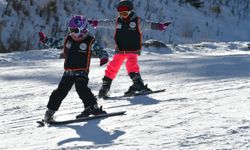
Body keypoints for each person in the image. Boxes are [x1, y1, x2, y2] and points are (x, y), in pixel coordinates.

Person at [88, 0, 171, 98]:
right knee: (113, 66)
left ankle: (138, 84)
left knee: (131, 64)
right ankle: (105, 86)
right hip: (121, 49)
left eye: (125, 13)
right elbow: (106, 23)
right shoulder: (117, 21)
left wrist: (160, 26)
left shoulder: (138, 22)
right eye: (120, 13)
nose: (122, 15)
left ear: (131, 11)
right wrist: (95, 23)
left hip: (133, 49)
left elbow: (150, 25)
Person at [44, 15, 109, 122]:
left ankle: (92, 107)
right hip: (68, 72)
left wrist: (103, 56)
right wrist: (45, 40)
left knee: (81, 88)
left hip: (82, 71)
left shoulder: (89, 41)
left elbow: (100, 50)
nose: (72, 33)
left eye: (75, 30)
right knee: (60, 91)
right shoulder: (68, 39)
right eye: (70, 30)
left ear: (83, 29)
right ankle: (50, 111)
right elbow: (55, 43)